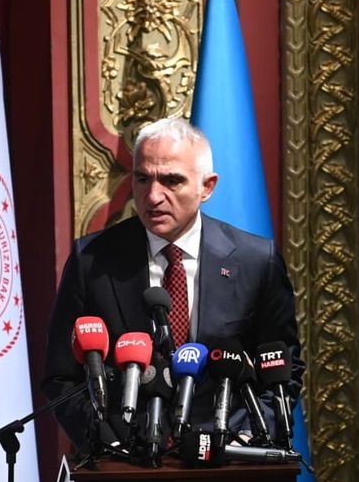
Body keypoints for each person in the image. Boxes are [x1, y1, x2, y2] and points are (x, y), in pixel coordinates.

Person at [41, 117, 304, 449]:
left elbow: (283, 370)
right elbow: (62, 377)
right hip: (125, 459)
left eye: (171, 181)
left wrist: (247, 439)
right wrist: (107, 442)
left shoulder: (255, 261)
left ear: (207, 187)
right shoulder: (92, 260)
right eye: (142, 179)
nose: (153, 196)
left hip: (228, 457)